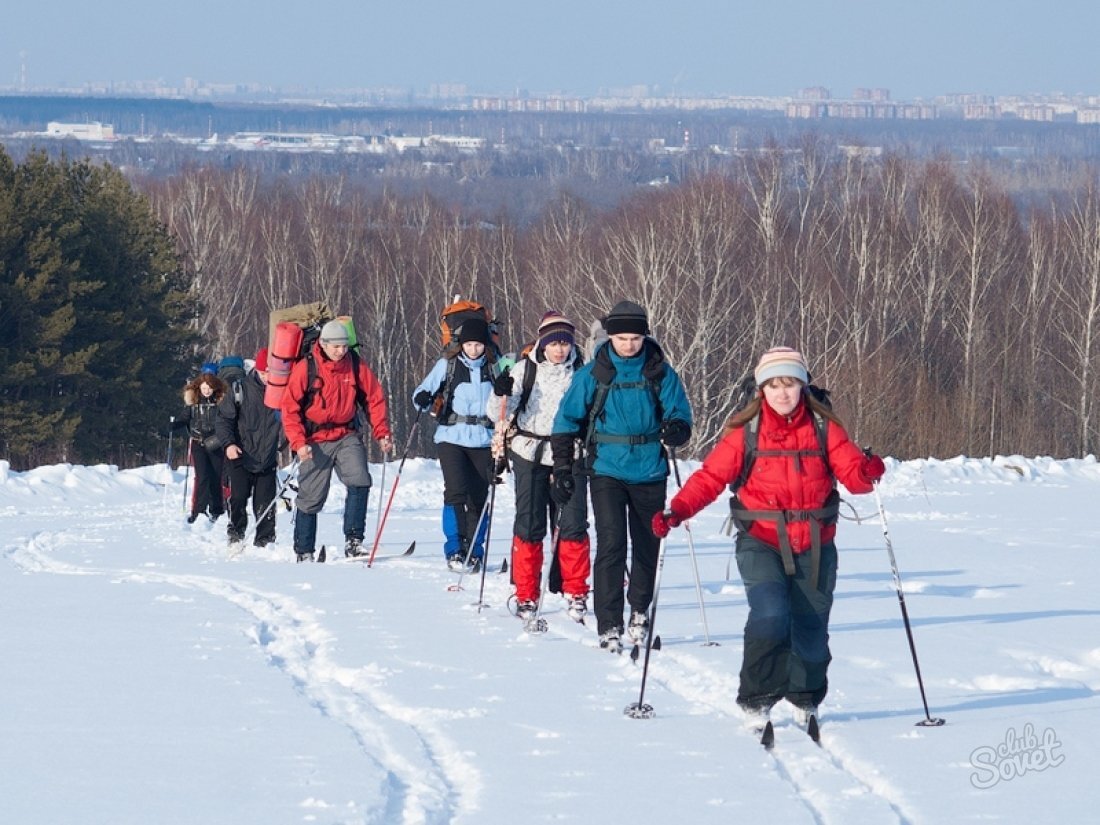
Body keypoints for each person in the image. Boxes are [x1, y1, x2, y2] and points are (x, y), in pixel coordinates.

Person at [651, 346, 886, 732]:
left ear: (803, 386)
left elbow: (854, 478)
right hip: (761, 539)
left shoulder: (825, 427)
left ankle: (805, 698)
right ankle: (756, 698)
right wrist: (677, 511)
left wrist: (868, 471)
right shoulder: (747, 431)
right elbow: (710, 478)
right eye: (774, 385)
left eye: (790, 384)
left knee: (811, 628)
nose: (783, 393)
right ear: (762, 389)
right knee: (771, 615)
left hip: (815, 541)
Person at [550, 300, 692, 653]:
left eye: (635, 338)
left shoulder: (659, 371)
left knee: (647, 543)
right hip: (606, 469)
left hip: (650, 468)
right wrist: (563, 468)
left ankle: (639, 611)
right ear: (609, 336)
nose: (629, 345)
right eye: (622, 338)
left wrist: (677, 430)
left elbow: (681, 413)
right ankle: (609, 622)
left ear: (645, 336)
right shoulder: (594, 373)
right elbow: (565, 421)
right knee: (611, 542)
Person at [489, 311, 590, 624]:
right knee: (530, 523)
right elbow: (499, 414)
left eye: (564, 343)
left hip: (571, 453)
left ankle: (576, 591)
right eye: (554, 343)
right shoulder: (524, 370)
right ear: (543, 344)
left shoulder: (583, 372)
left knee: (573, 523)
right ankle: (526, 594)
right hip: (529, 451)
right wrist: (499, 391)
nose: (559, 349)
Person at [281, 320, 393, 563]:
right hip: (314, 440)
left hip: (346, 434)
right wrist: (299, 443)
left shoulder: (354, 364)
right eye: (336, 347)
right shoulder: (306, 367)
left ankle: (353, 541)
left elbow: (374, 398)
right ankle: (304, 550)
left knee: (360, 480)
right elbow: (289, 409)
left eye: (344, 346)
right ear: (323, 344)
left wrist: (382, 432)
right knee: (311, 497)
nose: (341, 351)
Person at [413, 315, 499, 572]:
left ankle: (475, 549)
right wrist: (424, 397)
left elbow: (508, 401)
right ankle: (454, 548)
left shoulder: (495, 367)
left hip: (483, 439)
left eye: (479, 345)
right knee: (455, 491)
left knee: (480, 497)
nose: (474, 350)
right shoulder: (447, 365)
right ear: (461, 344)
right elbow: (420, 395)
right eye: (469, 345)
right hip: (451, 436)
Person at [216, 347, 284, 549]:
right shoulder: (239, 390)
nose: (267, 377)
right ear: (257, 370)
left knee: (265, 504)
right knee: (237, 498)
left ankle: (265, 541)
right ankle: (236, 532)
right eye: (264, 373)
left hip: (267, 457)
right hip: (240, 455)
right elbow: (223, 421)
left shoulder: (281, 391)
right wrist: (229, 444)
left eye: (271, 373)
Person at [173, 371, 228, 523]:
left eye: (209, 388)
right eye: (204, 388)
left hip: (216, 444)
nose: (206, 391)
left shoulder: (220, 403)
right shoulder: (193, 403)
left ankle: (217, 508)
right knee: (202, 477)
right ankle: (199, 510)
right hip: (198, 443)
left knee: (216, 477)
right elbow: (185, 418)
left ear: (214, 388)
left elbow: (227, 422)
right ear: (199, 388)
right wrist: (175, 425)